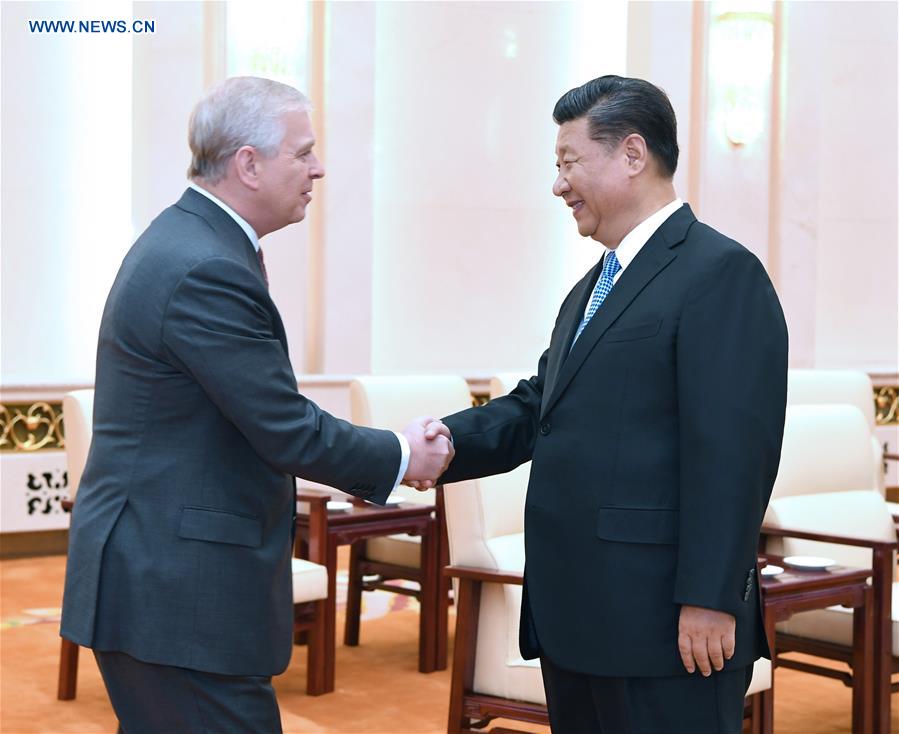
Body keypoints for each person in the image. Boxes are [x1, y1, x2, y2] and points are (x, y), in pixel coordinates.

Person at [60, 76, 453, 733]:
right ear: (248, 163)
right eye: (303, 153)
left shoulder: (194, 241)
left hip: (162, 582)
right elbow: (285, 427)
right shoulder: (203, 266)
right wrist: (400, 454)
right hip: (174, 591)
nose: (318, 169)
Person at [428, 75, 788, 733]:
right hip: (580, 616)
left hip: (667, 628)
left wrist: (708, 599)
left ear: (630, 154)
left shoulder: (718, 273)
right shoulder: (588, 290)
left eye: (568, 163)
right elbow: (541, 407)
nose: (557, 185)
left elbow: (732, 454)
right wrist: (436, 445)